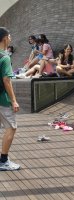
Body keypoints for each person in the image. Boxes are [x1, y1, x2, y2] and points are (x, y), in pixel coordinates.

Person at [0, 27, 20, 171]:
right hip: (3, 99)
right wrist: (13, 100)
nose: (11, 38)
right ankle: (3, 161)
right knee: (11, 128)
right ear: (5, 38)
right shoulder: (5, 57)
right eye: (10, 36)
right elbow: (7, 80)